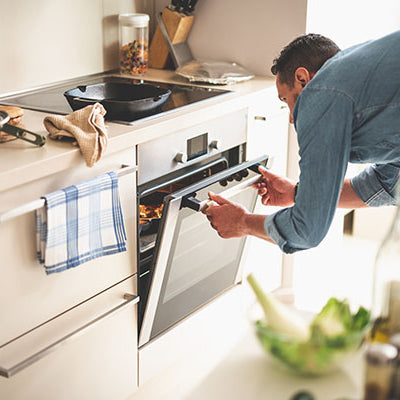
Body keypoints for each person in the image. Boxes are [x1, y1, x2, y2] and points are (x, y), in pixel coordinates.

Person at [203, 30, 400, 254]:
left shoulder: (321, 93)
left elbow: (307, 230)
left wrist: (243, 222)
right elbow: (387, 184)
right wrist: (298, 193)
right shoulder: (359, 80)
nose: (291, 118)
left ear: (302, 79)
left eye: (286, 99)